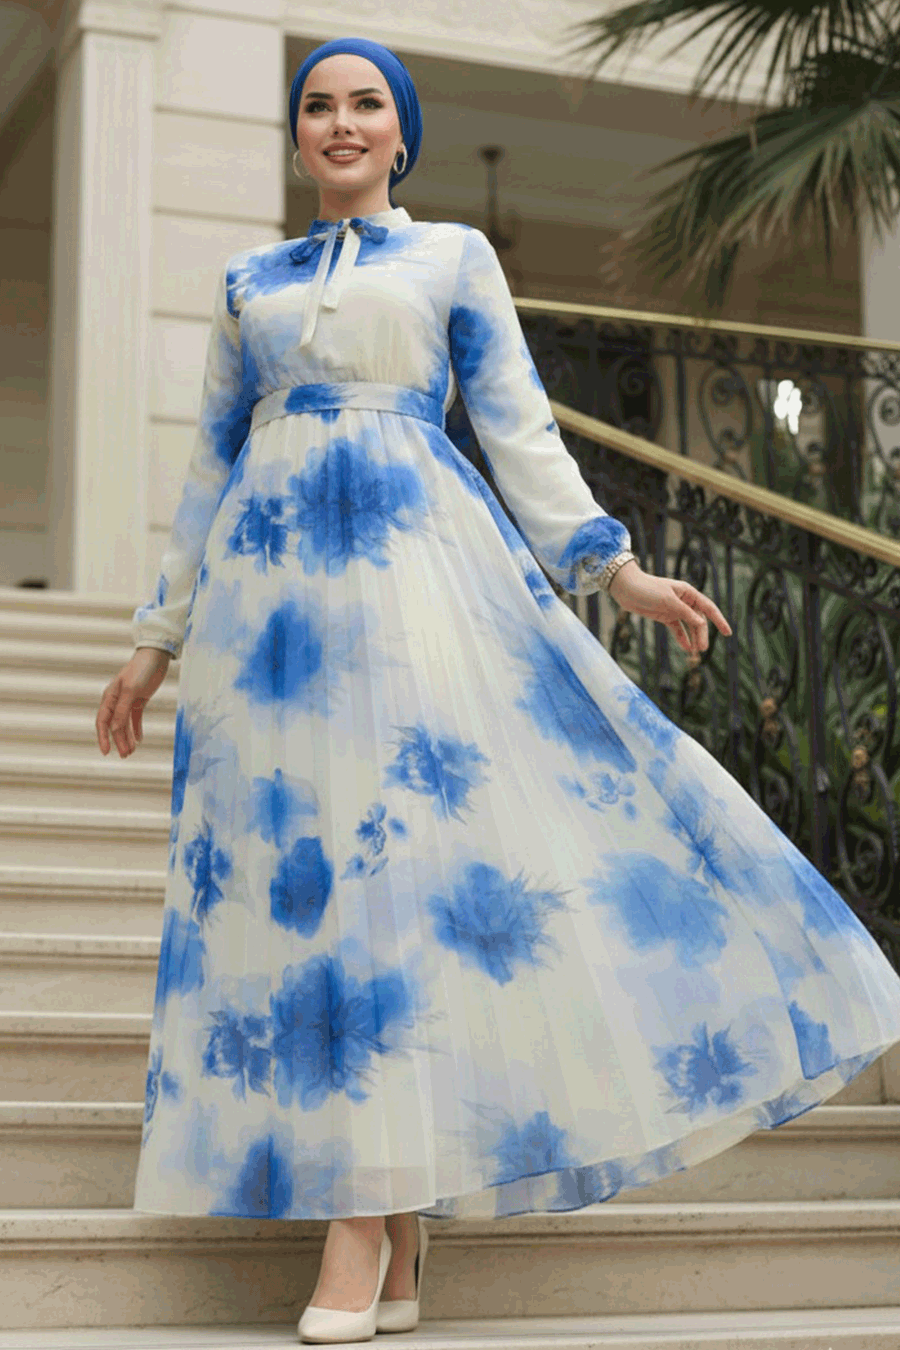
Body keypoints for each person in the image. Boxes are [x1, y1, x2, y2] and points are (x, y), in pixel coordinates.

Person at [96, 36, 900, 1347]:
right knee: (303, 895)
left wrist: (616, 572)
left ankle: (362, 1219)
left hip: (414, 585)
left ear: (401, 132)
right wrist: (156, 639)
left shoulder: (455, 257)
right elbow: (208, 467)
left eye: (368, 104)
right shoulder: (249, 284)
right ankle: (399, 1215)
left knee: (393, 875)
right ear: (296, 134)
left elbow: (521, 429)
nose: (342, 122)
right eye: (319, 105)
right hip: (268, 620)